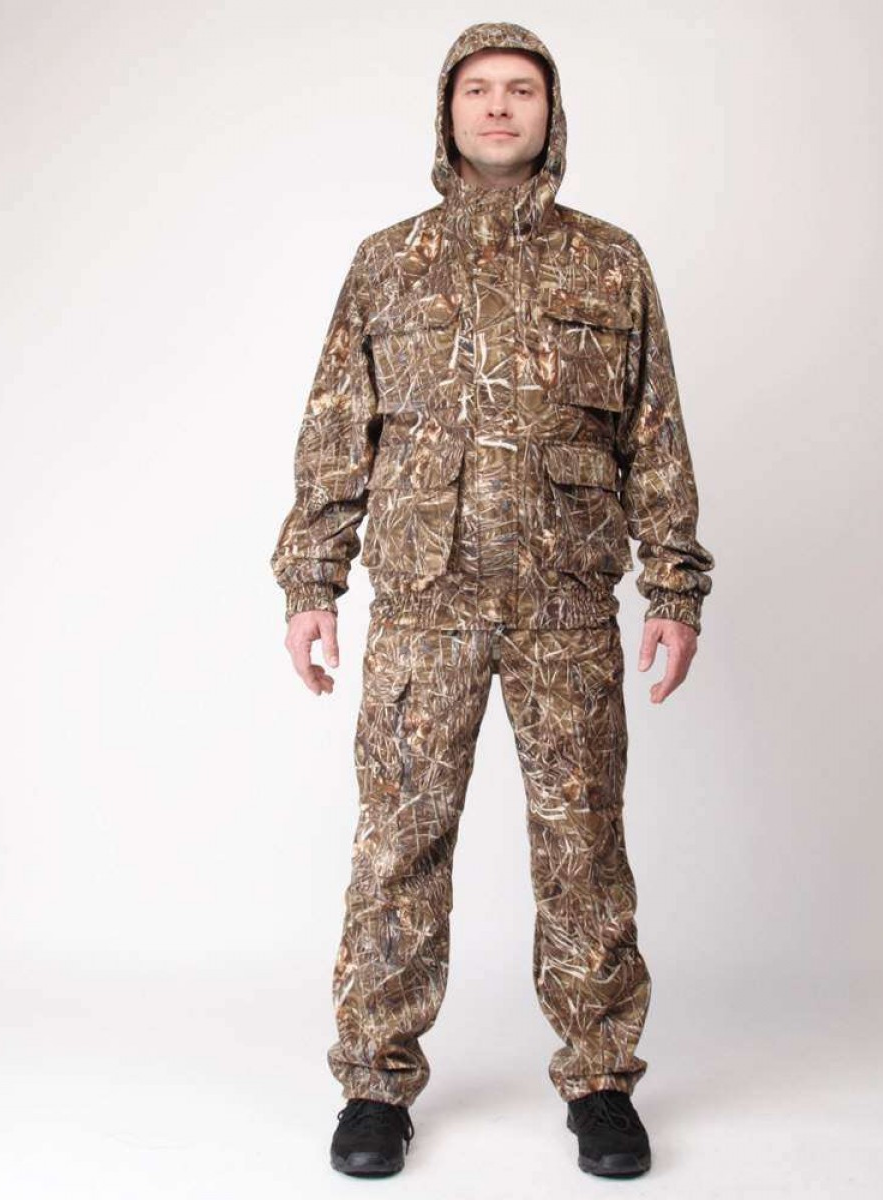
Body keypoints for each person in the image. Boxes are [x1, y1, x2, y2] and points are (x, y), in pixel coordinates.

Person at [269, 20, 715, 1179]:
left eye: (522, 89)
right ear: (449, 110)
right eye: (481, 89)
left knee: (583, 849)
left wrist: (674, 587)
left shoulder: (610, 263)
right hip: (425, 608)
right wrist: (312, 580)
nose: (501, 106)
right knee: (399, 846)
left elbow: (656, 435)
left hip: (567, 609)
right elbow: (337, 432)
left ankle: (601, 1078)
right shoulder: (388, 262)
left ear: (551, 113)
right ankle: (375, 1085)